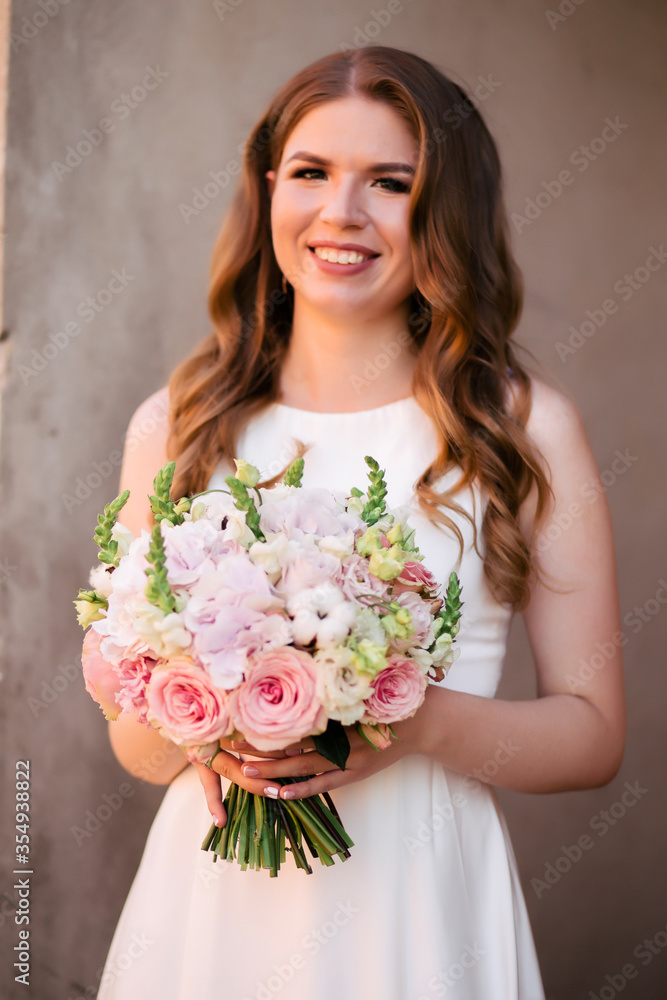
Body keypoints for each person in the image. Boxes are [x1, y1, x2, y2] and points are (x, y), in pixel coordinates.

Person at [96, 46, 626, 1000]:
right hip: (212, 905)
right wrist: (217, 727)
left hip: (418, 909)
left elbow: (593, 738)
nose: (341, 214)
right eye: (311, 173)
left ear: (446, 211)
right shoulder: (177, 423)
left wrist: (413, 727)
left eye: (390, 183)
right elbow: (133, 748)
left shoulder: (521, 429)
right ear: (267, 191)